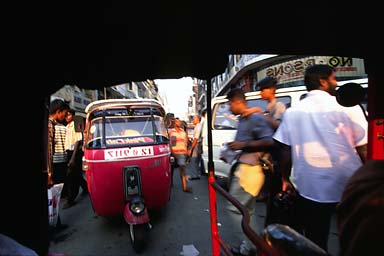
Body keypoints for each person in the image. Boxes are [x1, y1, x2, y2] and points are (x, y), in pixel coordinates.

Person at [273, 64, 367, 252]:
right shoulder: (348, 107)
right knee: (353, 236)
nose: (336, 83)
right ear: (323, 82)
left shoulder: (293, 112)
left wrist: (284, 178)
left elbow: (284, 150)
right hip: (348, 185)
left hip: (310, 188)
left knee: (316, 239)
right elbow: (363, 147)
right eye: (334, 78)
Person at [225, 88, 275, 256]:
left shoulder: (254, 117)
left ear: (236, 101)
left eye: (229, 103)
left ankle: (253, 245)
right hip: (244, 167)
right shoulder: (244, 119)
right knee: (247, 211)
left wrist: (243, 146)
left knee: (234, 208)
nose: (228, 107)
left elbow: (269, 141)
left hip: (250, 170)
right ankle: (252, 245)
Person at [254, 76, 287, 227]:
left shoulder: (278, 106)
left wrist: (261, 116)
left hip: (277, 159)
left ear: (272, 90)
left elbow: (279, 127)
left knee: (275, 197)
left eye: (263, 89)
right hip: (268, 158)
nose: (261, 93)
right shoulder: (268, 108)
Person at [63, 109, 88, 209]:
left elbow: (78, 141)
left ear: (72, 115)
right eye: (66, 116)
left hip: (75, 153)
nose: (66, 117)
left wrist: (73, 158)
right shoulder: (67, 126)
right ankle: (86, 187)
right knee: (76, 174)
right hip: (69, 152)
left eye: (68, 115)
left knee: (72, 177)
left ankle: (71, 199)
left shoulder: (75, 125)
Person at [168, 118, 192, 193]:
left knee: (182, 168)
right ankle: (170, 183)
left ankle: (184, 186)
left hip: (182, 153)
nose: (179, 123)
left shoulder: (183, 132)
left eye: (180, 122)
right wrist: (172, 152)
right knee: (171, 169)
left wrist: (188, 151)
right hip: (174, 153)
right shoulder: (171, 132)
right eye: (177, 122)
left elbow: (187, 142)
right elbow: (170, 143)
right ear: (174, 123)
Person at [187, 114, 203, 180]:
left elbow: (196, 139)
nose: (193, 120)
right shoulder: (198, 126)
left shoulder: (198, 127)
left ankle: (194, 176)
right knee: (196, 161)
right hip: (198, 144)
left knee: (193, 160)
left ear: (197, 119)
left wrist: (191, 149)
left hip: (197, 145)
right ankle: (196, 174)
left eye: (194, 119)